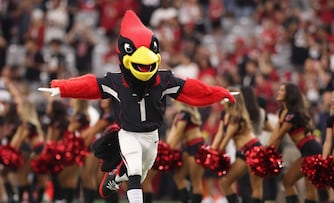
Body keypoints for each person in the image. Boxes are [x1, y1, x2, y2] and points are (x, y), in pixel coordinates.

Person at [38, 10, 235, 203]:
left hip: (152, 136)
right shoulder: (115, 82)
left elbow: (192, 89)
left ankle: (115, 178)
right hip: (129, 134)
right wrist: (62, 88)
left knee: (139, 173)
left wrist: (218, 93)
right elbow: (90, 85)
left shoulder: (164, 80)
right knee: (134, 173)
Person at [267, 83, 322, 203]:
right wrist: (268, 150)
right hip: (306, 151)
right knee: (288, 181)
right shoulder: (283, 112)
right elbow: (275, 134)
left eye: (282, 90)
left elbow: (279, 136)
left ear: (289, 94)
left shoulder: (293, 114)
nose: (278, 92)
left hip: (312, 151)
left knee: (309, 190)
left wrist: (269, 155)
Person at [210, 87, 263, 203]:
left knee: (256, 188)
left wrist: (216, 155)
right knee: (225, 182)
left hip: (254, 150)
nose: (222, 99)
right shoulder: (225, 114)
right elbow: (220, 133)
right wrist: (211, 151)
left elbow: (227, 137)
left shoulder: (237, 116)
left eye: (225, 97)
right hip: (242, 152)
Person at [166, 101, 205, 203]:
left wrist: (168, 149)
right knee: (178, 176)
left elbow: (178, 134)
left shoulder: (185, 113)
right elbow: (176, 132)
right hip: (188, 147)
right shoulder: (182, 113)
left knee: (196, 182)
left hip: (196, 147)